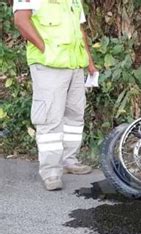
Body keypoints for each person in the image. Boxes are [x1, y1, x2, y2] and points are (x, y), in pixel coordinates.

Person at [13, 0, 96, 191]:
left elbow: (79, 31)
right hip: (49, 66)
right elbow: (21, 21)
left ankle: (69, 161)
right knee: (50, 117)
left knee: (75, 115)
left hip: (74, 66)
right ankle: (50, 171)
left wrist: (89, 63)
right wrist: (46, 50)